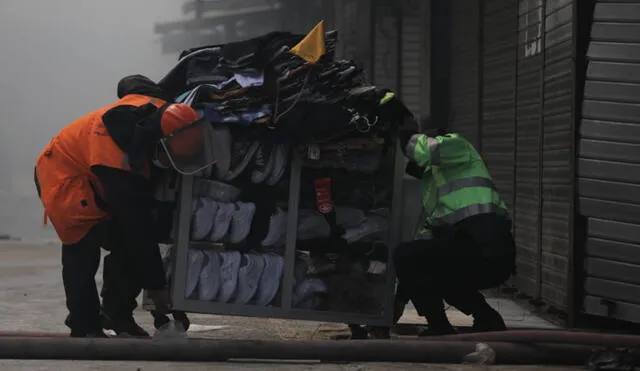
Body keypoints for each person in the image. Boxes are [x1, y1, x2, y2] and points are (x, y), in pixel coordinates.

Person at [34, 75, 203, 338]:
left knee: (129, 243)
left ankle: (116, 314)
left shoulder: (162, 113)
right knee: (84, 248)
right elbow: (136, 227)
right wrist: (158, 289)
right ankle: (84, 324)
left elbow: (132, 82)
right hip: (62, 173)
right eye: (169, 158)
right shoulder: (117, 162)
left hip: (96, 175)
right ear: (156, 144)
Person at [395, 120, 516, 336]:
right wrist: (400, 298)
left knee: (412, 256)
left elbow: (426, 151)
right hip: (468, 252)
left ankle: (443, 325)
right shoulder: (433, 187)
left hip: (489, 248)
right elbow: (418, 254)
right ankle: (483, 319)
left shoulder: (458, 145)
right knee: (421, 261)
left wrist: (403, 133)